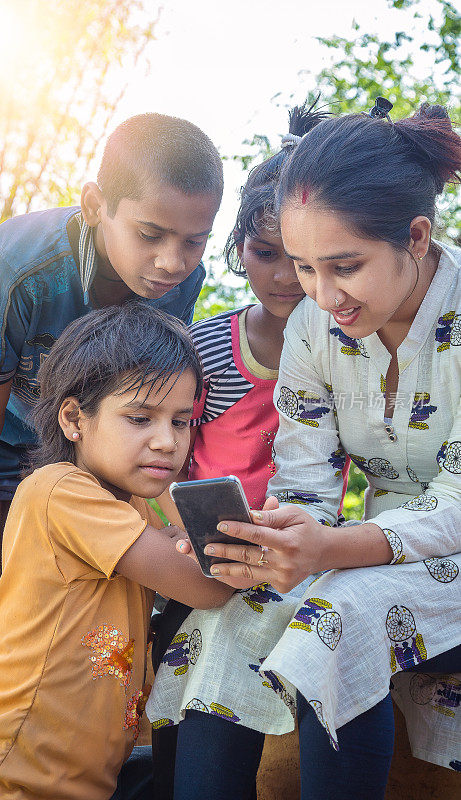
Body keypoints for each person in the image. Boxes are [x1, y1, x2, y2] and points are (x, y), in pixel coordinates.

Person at [181, 100, 461, 798]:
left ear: (417, 236)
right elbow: (304, 478)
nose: (320, 294)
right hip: (373, 543)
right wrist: (269, 538)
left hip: (436, 547)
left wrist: (331, 550)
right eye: (305, 268)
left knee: (342, 614)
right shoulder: (313, 325)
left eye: (344, 265)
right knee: (230, 618)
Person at [0, 112, 223, 723]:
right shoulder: (21, 264)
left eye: (193, 241)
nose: (172, 262)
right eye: (151, 234)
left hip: (96, 464)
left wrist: (163, 516)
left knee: (92, 631)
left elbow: (155, 406)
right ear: (96, 206)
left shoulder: (179, 282)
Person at [0, 303, 235, 800]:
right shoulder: (61, 491)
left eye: (182, 422)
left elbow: (196, 546)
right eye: (139, 418)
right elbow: (204, 581)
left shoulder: (141, 502)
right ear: (74, 418)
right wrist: (260, 551)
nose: (166, 441)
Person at [147, 101, 348, 800]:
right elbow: (164, 461)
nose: (286, 278)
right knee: (178, 655)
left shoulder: (344, 355)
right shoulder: (204, 347)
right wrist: (179, 532)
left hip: (293, 557)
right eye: (266, 256)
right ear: (238, 251)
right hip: (198, 551)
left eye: (299, 260)